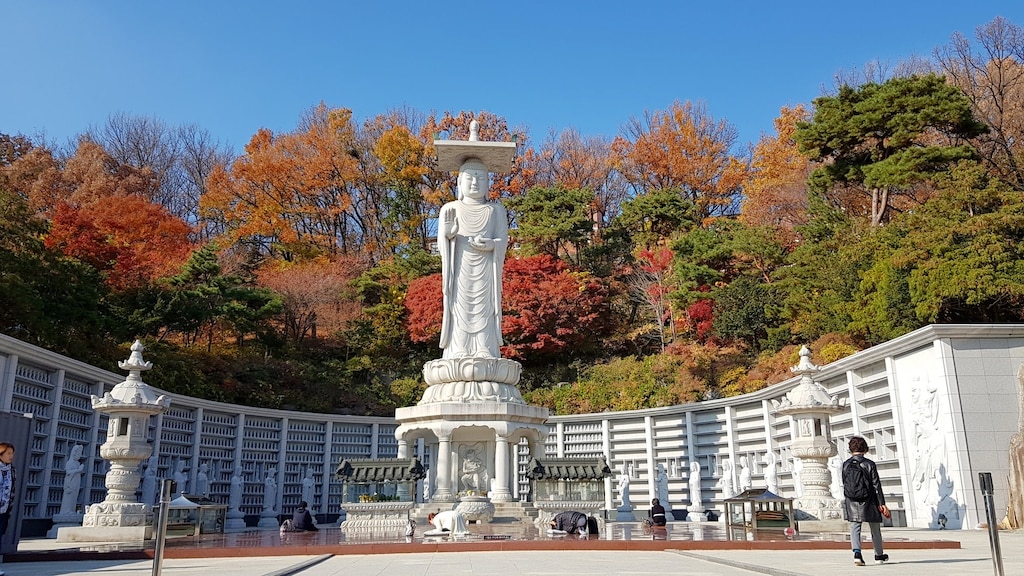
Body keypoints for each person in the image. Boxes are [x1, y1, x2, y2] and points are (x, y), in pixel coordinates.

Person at [438, 155, 508, 360]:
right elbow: (443, 247)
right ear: (459, 182)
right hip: (459, 269)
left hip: (486, 269)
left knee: (485, 306)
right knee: (460, 306)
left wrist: (492, 245)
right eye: (469, 178)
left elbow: (503, 239)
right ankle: (459, 348)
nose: (475, 183)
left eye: (481, 178)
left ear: (488, 183)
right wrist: (448, 236)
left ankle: (484, 347)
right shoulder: (450, 209)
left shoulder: (496, 210)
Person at [842, 436, 890, 566]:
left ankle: (857, 554)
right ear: (865, 448)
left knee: (855, 527)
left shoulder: (846, 464)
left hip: (851, 500)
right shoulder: (869, 464)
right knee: (875, 528)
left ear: (850, 449)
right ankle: (879, 555)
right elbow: (876, 485)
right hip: (869, 500)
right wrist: (882, 503)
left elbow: (844, 483)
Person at [0, 443, 15, 575]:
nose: (11, 456)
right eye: (8, 453)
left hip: (4, 511)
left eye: (12, 453)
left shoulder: (11, 470)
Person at [59, 444, 84, 515]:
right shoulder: (70, 462)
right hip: (70, 483)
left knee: (74, 497)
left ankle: (72, 510)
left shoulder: (77, 463)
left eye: (80, 453)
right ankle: (66, 511)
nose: (79, 455)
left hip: (76, 482)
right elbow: (68, 472)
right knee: (68, 498)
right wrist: (78, 470)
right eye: (78, 453)